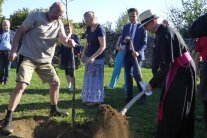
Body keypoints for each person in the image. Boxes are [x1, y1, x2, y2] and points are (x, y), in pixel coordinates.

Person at [0, 2, 75, 135]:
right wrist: (13, 50)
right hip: (28, 57)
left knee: (55, 83)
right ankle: (8, 119)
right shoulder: (36, 16)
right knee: (21, 86)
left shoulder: (58, 23)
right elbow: (19, 31)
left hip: (45, 61)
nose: (59, 16)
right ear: (50, 9)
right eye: (57, 12)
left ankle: (54, 109)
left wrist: (69, 42)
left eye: (61, 14)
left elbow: (63, 38)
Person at [139, 10, 196, 137]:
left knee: (175, 105)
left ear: (153, 22)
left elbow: (166, 67)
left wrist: (152, 84)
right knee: (170, 103)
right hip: (178, 69)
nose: (145, 29)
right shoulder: (162, 32)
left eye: (145, 25)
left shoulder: (165, 34)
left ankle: (174, 133)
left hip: (183, 70)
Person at [120, 8, 147, 103]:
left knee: (137, 75)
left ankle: (142, 96)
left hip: (137, 56)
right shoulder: (126, 27)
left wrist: (138, 52)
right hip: (127, 55)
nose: (132, 18)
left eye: (133, 16)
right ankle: (129, 96)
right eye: (130, 16)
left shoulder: (142, 27)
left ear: (137, 16)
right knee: (128, 77)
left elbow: (144, 43)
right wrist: (125, 40)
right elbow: (122, 41)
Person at [81, 11, 106, 105]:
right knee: (89, 78)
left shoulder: (100, 29)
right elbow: (88, 43)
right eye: (85, 20)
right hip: (89, 57)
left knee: (96, 79)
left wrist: (93, 57)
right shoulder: (88, 28)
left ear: (92, 18)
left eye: (87, 20)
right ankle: (88, 97)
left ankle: (96, 100)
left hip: (98, 58)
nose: (85, 22)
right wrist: (83, 53)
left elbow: (103, 46)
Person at [59, 23, 82, 92]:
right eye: (65, 28)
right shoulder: (63, 37)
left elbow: (79, 47)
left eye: (68, 28)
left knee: (71, 71)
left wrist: (74, 44)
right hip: (65, 56)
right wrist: (60, 55)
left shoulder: (75, 36)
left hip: (72, 56)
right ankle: (69, 85)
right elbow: (62, 47)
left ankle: (73, 86)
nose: (67, 30)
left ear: (71, 29)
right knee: (66, 71)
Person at [194, 36, 207, 128]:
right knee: (204, 93)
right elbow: (198, 54)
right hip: (205, 66)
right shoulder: (202, 36)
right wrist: (196, 69)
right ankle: (205, 117)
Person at [0, 20, 15, 85]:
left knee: (7, 68)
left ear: (9, 25)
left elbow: (16, 44)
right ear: (2, 26)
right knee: (1, 67)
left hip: (9, 52)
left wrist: (14, 52)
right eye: (4, 25)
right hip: (1, 53)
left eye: (7, 25)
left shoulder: (13, 33)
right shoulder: (0, 33)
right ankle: (1, 80)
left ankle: (6, 81)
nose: (6, 26)